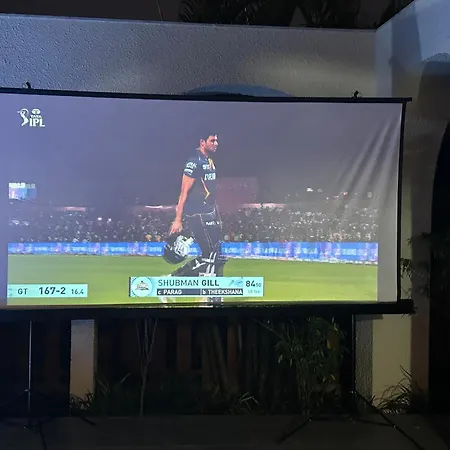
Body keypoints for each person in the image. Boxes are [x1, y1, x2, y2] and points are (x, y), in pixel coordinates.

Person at [165, 134, 227, 303]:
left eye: (216, 140)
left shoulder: (210, 162)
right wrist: (178, 219)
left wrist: (217, 214)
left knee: (217, 255)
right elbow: (183, 192)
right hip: (197, 214)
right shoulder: (194, 162)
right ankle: (172, 282)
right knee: (212, 256)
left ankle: (214, 296)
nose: (216, 143)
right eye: (212, 140)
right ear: (202, 142)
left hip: (210, 212)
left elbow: (211, 194)